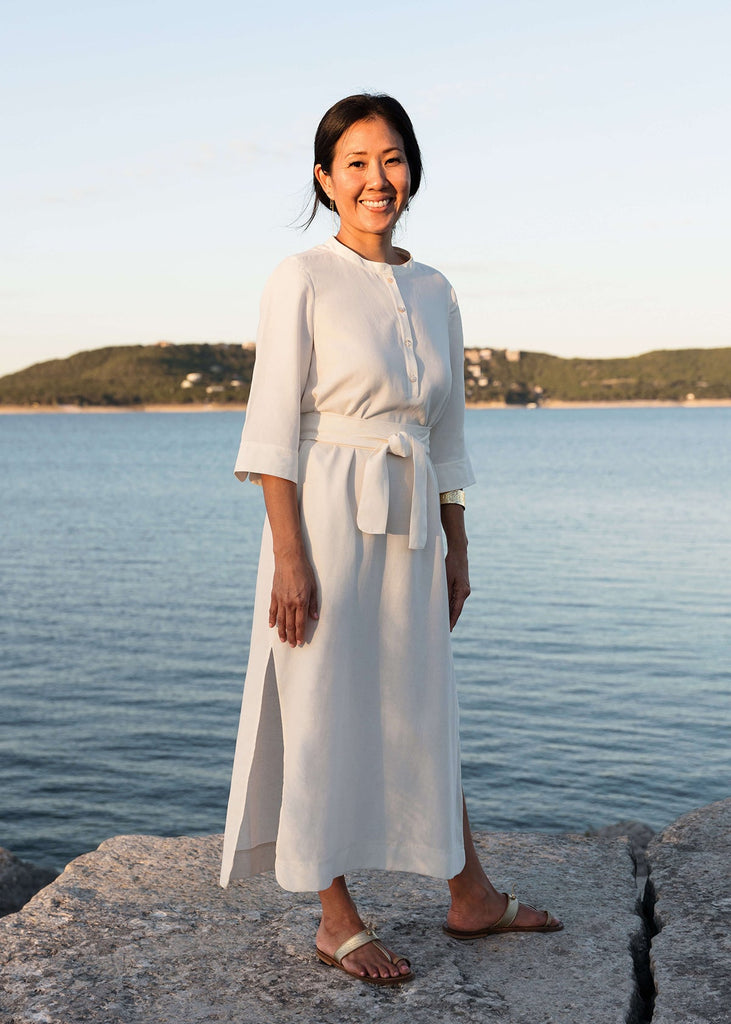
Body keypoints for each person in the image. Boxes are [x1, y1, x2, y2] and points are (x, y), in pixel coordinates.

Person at [220, 93, 562, 986]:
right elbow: (269, 434)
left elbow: (445, 435)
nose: (379, 179)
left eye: (393, 159)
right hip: (326, 514)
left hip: (411, 516)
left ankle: (470, 895)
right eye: (358, 162)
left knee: (421, 702)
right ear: (327, 179)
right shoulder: (299, 276)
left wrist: (457, 545)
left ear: (411, 169)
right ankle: (336, 920)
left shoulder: (435, 287)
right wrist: (290, 558)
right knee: (323, 700)